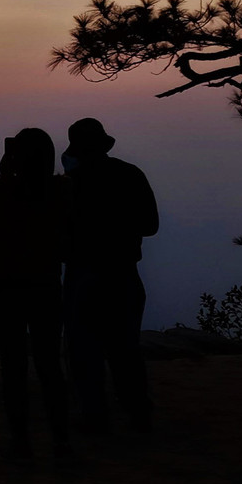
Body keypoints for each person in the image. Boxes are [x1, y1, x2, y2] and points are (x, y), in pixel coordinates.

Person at [0, 128, 71, 460]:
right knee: (49, 365)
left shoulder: (7, 192)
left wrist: (4, 174)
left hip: (8, 287)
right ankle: (61, 440)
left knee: (13, 366)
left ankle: (21, 441)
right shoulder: (61, 192)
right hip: (46, 287)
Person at [61, 117, 158, 433]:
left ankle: (95, 417)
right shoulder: (130, 174)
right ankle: (138, 414)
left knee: (84, 351)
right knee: (125, 350)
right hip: (123, 274)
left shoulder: (70, 184)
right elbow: (150, 226)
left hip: (82, 276)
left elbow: (59, 235)